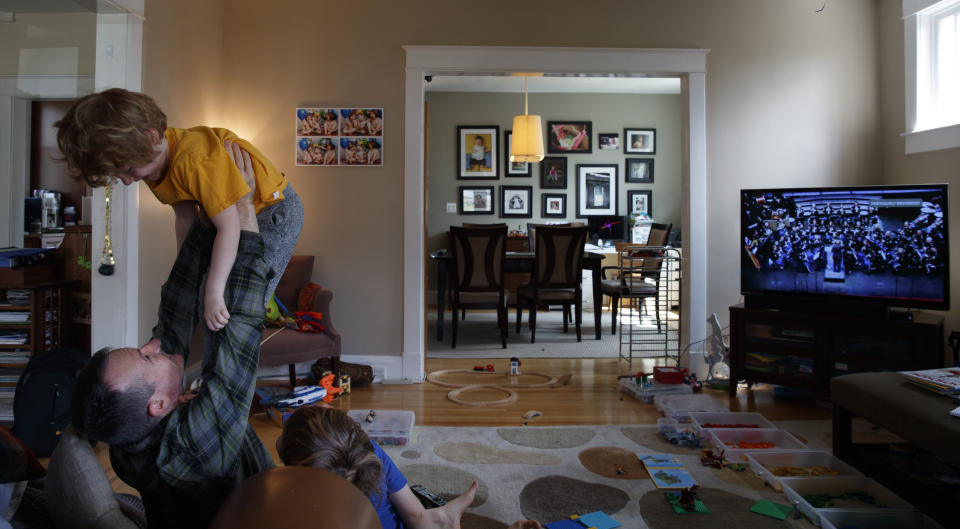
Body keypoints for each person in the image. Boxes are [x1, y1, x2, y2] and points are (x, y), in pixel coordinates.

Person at [70, 146, 274, 529]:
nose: (152, 345)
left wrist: (207, 213)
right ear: (160, 404)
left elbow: (173, 317)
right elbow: (239, 333)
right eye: (147, 358)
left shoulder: (124, 445)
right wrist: (241, 206)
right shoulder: (197, 446)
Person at [55, 88, 304, 331]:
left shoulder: (194, 162)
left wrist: (214, 294)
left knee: (246, 300)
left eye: (129, 170)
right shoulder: (155, 167)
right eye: (119, 175)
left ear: (151, 137)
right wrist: (184, 268)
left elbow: (229, 228)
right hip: (236, 219)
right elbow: (185, 217)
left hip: (275, 211)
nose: (128, 181)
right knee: (203, 288)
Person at [278, 406, 541, 529]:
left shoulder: (300, 501)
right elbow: (416, 516)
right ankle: (441, 520)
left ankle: (441, 520)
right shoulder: (371, 452)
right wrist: (434, 519)